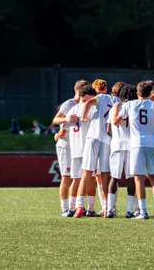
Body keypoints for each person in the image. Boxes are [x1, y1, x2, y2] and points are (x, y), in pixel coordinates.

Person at [113, 81, 154, 220]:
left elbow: (116, 121)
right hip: (151, 143)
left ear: (137, 93)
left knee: (138, 178)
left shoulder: (129, 104)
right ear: (150, 93)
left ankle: (143, 211)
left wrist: (116, 110)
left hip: (136, 144)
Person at [73, 80, 122, 218]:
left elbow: (88, 103)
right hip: (107, 139)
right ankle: (107, 208)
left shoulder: (99, 98)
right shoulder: (117, 100)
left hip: (93, 136)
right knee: (105, 173)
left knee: (87, 172)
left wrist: (83, 116)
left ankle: (79, 207)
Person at [51, 79, 89, 216]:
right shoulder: (69, 103)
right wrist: (66, 120)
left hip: (76, 144)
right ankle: (64, 208)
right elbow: (55, 120)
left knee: (78, 177)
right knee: (66, 177)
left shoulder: (85, 105)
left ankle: (78, 206)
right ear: (79, 91)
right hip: (66, 144)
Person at [61, 85, 98, 216]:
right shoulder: (92, 108)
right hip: (87, 148)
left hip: (75, 148)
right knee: (91, 179)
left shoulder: (72, 110)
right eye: (93, 97)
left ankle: (71, 208)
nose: (95, 100)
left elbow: (63, 129)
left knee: (76, 179)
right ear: (87, 96)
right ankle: (91, 208)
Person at [106, 84, 137, 218]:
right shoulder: (135, 106)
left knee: (114, 178)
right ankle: (130, 210)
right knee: (131, 178)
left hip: (117, 144)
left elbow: (108, 130)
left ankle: (110, 209)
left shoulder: (115, 107)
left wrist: (117, 137)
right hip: (132, 145)